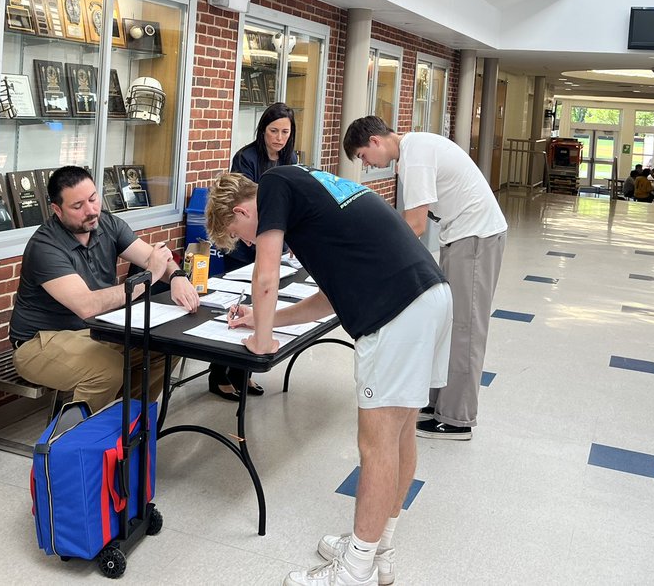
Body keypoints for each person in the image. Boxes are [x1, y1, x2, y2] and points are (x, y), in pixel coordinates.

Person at [206, 169, 452, 586]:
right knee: (399, 434)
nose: (250, 243)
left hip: (395, 312)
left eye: (243, 234)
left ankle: (354, 571)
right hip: (428, 295)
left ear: (244, 209)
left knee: (375, 447)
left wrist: (263, 342)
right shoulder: (310, 195)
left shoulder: (275, 187)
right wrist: (263, 318)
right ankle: (379, 551)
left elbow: (265, 277)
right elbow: (329, 297)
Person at [343, 117, 506, 441]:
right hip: (461, 235)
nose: (366, 164)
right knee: (447, 323)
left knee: (465, 329)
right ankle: (438, 404)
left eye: (362, 156)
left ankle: (457, 418)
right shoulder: (413, 151)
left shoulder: (414, 155)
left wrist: (378, 258)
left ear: (375, 142)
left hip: (476, 237)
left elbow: (415, 225)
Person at [9, 166, 200, 412]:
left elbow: (156, 257)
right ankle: (79, 442)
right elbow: (86, 306)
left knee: (167, 347)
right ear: (57, 210)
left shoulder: (107, 224)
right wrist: (148, 277)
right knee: (107, 371)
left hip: (96, 332)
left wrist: (177, 275)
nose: (90, 211)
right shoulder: (45, 246)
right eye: (77, 206)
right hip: (39, 342)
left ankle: (127, 422)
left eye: (93, 199)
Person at [209, 102, 299, 401]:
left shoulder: (290, 158)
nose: (279, 138)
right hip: (246, 241)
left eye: (285, 132)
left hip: (273, 240)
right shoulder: (246, 157)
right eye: (274, 131)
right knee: (238, 304)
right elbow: (243, 200)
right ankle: (218, 373)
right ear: (263, 130)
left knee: (260, 305)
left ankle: (242, 372)